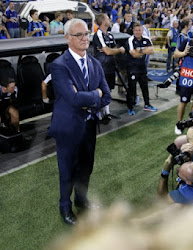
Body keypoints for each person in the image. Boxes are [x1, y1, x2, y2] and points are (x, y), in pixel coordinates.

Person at [48, 18, 111, 225]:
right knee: (67, 170)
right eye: (79, 35)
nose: (85, 38)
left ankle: (81, 201)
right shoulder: (58, 65)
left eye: (87, 34)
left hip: (89, 125)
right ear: (67, 38)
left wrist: (87, 98)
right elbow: (73, 100)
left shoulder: (94, 62)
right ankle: (65, 207)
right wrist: (95, 95)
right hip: (68, 128)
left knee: (86, 167)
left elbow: (107, 96)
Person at [93, 13, 125, 123]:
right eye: (107, 18)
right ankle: (97, 113)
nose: (110, 20)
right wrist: (116, 50)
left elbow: (112, 49)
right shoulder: (98, 34)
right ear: (103, 22)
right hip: (102, 67)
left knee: (109, 89)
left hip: (111, 65)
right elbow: (108, 51)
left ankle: (106, 112)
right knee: (100, 90)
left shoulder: (110, 35)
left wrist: (111, 50)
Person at [126, 22, 157, 115]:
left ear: (142, 31)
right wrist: (144, 50)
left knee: (145, 87)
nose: (138, 32)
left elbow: (151, 51)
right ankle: (130, 107)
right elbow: (133, 54)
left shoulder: (146, 39)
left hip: (142, 67)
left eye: (139, 30)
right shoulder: (130, 40)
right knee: (131, 89)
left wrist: (139, 50)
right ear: (133, 31)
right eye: (136, 30)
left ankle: (147, 104)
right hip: (132, 68)